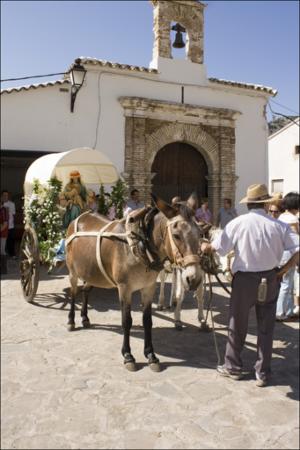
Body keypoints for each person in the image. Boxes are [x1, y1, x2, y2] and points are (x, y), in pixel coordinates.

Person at [201, 183, 299, 387]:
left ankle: (233, 367)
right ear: (265, 203)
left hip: (244, 281)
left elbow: (219, 248)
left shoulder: (237, 223)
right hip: (270, 278)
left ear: (248, 204)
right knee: (266, 327)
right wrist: (283, 270)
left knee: (237, 324)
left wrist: (205, 246)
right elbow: (298, 248)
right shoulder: (278, 225)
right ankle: (262, 373)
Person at [276, 192, 300, 321]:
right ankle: (280, 312)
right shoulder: (292, 219)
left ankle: (289, 310)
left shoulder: (281, 217)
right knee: (287, 284)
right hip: (290, 255)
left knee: (287, 284)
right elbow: (296, 239)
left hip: (281, 254)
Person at [1, 190, 16, 258]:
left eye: (6, 195)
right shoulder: (1, 204)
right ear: (1, 196)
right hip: (2, 226)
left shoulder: (12, 204)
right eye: (4, 195)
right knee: (3, 241)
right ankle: (3, 252)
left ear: (8, 196)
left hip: (10, 225)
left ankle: (12, 254)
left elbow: (13, 214)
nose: (5, 196)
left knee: (11, 240)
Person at [0, 199, 9, 274]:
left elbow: (5, 224)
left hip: (2, 233)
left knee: (2, 250)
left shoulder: (3, 211)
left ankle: (4, 270)